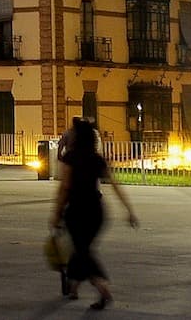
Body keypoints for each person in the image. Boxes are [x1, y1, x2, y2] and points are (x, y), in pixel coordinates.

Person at [51, 119, 137, 309]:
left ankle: (101, 287)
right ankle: (73, 287)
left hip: (77, 210)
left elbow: (64, 187)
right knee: (82, 248)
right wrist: (129, 210)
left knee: (82, 250)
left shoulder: (71, 157)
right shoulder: (97, 159)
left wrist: (56, 213)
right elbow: (115, 184)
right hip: (97, 211)